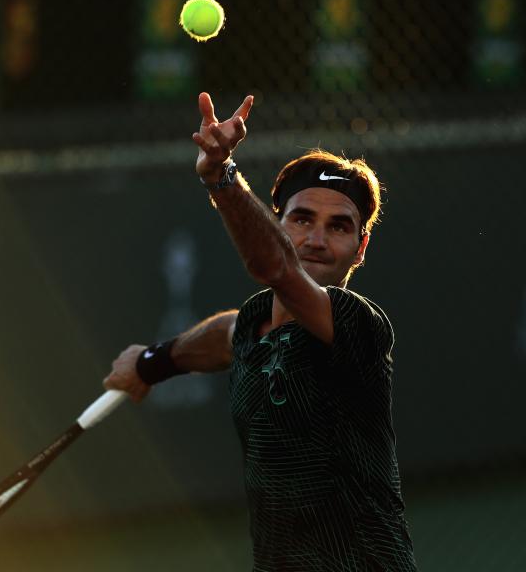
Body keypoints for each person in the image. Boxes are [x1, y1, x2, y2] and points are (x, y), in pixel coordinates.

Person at [104, 92, 417, 571]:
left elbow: (275, 267)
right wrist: (152, 363)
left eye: (339, 226)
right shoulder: (254, 326)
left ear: (360, 246)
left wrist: (219, 174)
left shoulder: (357, 323)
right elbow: (225, 336)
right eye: (301, 219)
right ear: (278, 222)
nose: (316, 239)